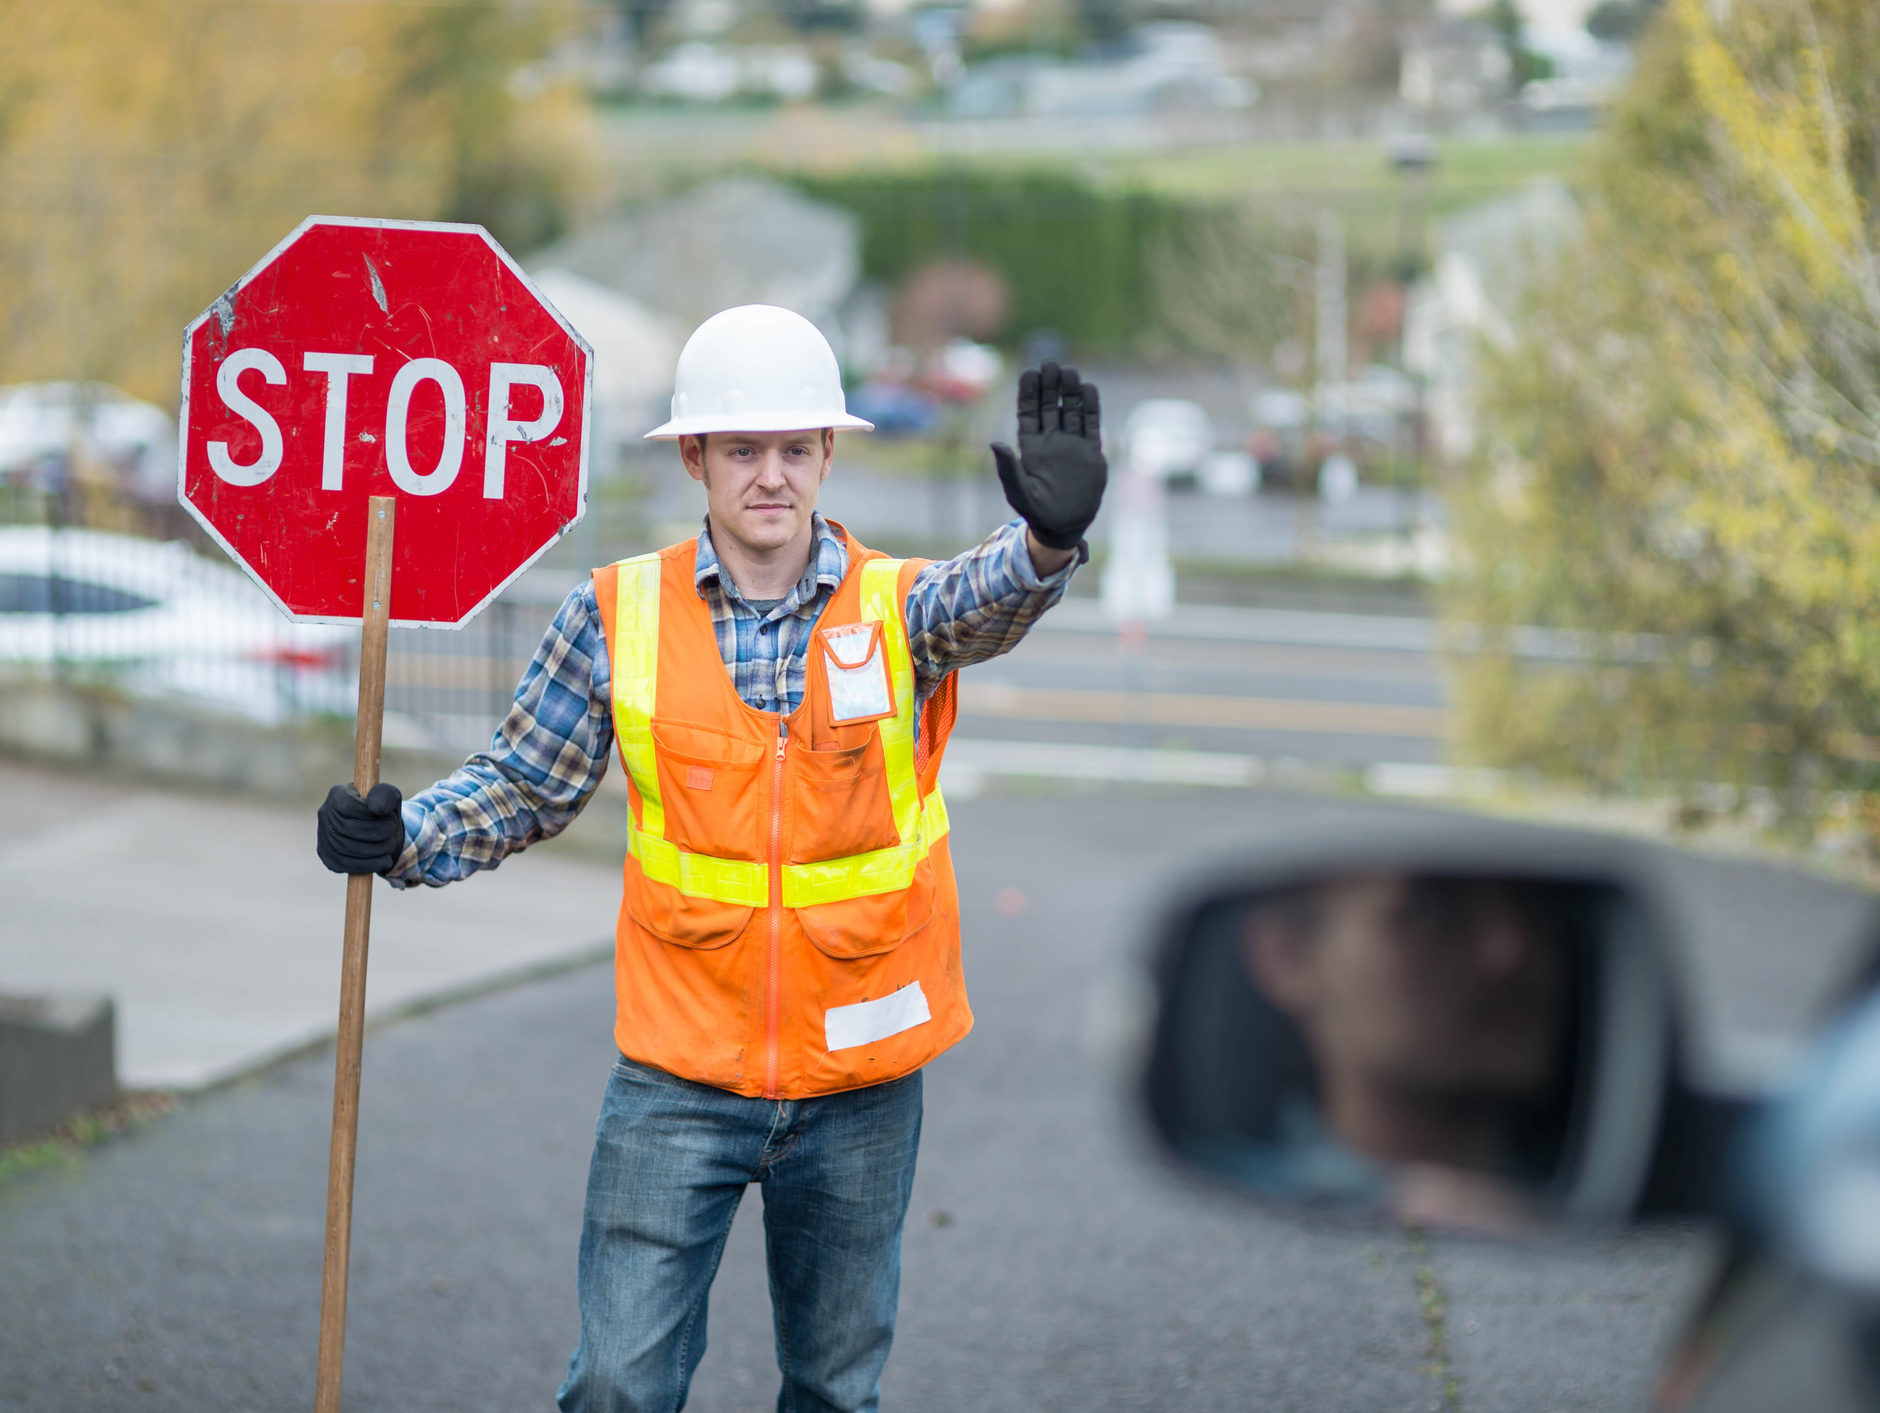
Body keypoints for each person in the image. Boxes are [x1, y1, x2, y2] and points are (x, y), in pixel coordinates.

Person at [313, 303, 1106, 1413]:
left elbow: (980, 599)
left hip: (859, 1081)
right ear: (694, 457)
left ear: (828, 453)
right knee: (619, 1388)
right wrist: (403, 838)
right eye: (742, 448)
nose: (770, 475)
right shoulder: (616, 617)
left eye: (793, 447)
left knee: (833, 1390)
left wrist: (1046, 545)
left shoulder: (894, 611)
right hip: (678, 1076)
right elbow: (523, 781)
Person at [1237, 873, 1572, 1230]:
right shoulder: (1241, 1208)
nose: (1511, 951)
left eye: (1535, 908)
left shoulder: (1601, 1187)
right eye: (1432, 912)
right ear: (1288, 960)